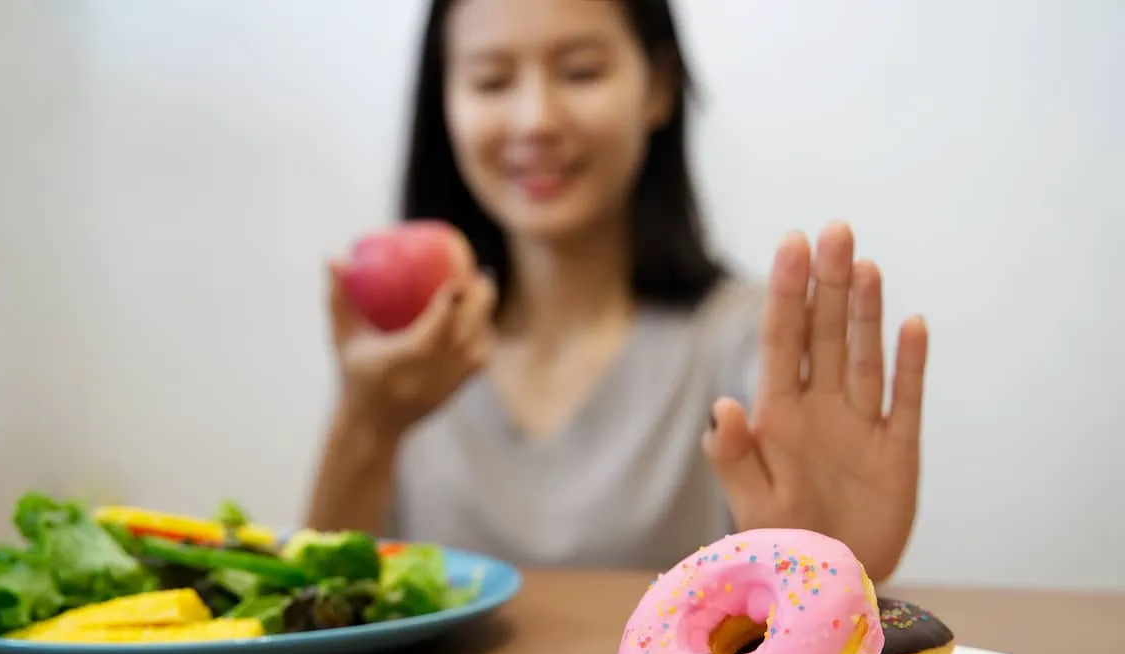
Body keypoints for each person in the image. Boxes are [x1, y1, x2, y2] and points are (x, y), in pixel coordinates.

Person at [306, 0, 928, 582]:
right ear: (444, 103)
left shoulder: (740, 340)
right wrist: (364, 427)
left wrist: (834, 566)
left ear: (657, 86)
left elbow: (791, 611)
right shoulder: (412, 359)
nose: (536, 120)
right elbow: (325, 611)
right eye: (491, 81)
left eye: (579, 72)